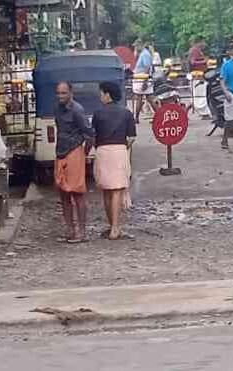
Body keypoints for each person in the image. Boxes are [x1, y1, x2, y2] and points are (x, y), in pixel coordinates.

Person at [93, 81, 137, 240]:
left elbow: (94, 135)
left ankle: (112, 225)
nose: (100, 96)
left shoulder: (97, 113)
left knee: (106, 189)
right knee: (117, 190)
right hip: (119, 150)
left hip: (102, 151)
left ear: (107, 94)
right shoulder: (126, 113)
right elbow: (131, 138)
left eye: (101, 93)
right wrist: (123, 146)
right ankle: (116, 228)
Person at [54, 82, 94, 243]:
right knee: (63, 193)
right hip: (61, 152)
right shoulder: (57, 109)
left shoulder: (77, 110)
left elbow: (89, 134)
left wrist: (83, 153)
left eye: (64, 93)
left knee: (77, 194)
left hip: (74, 151)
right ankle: (70, 229)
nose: (61, 96)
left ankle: (82, 232)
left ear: (71, 92)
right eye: (58, 93)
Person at [133, 41, 157, 123]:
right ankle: (159, 115)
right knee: (149, 98)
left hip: (142, 78)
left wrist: (145, 81)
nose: (135, 48)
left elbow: (147, 68)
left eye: (136, 46)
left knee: (140, 98)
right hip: (141, 77)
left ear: (140, 46)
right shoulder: (143, 54)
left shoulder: (145, 54)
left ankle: (136, 117)